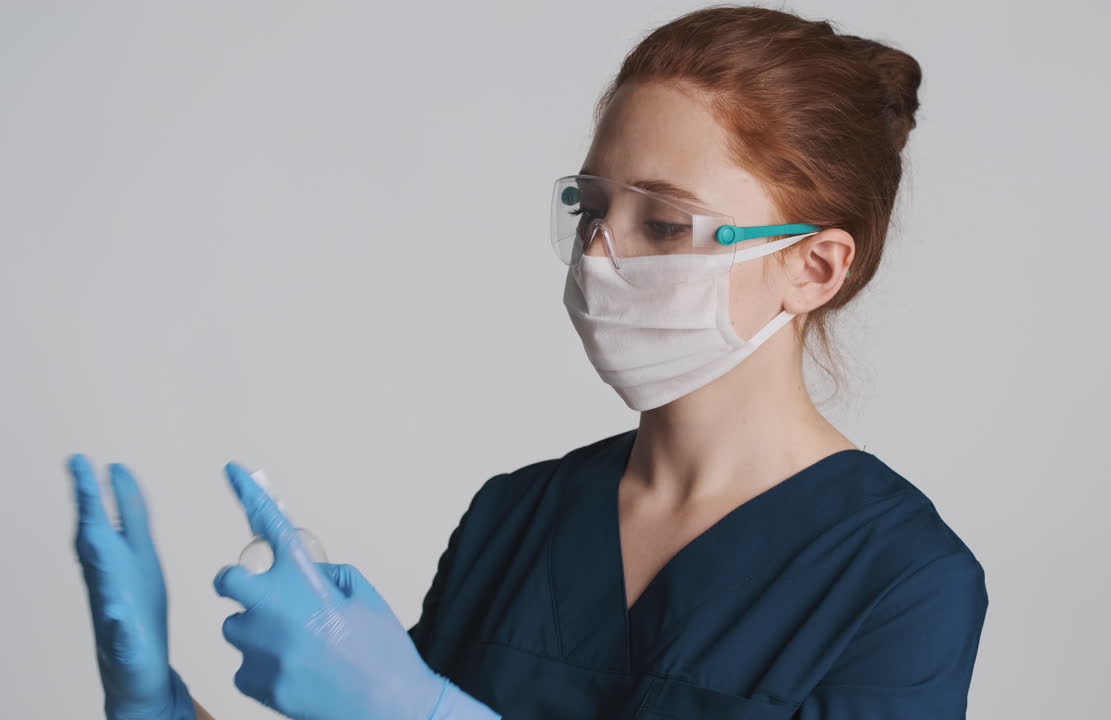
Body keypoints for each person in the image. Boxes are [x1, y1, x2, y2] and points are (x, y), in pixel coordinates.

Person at [68, 6, 988, 719]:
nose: (600, 252)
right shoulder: (517, 519)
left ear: (813, 267)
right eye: (593, 208)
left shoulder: (902, 582)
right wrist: (156, 699)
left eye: (663, 222)